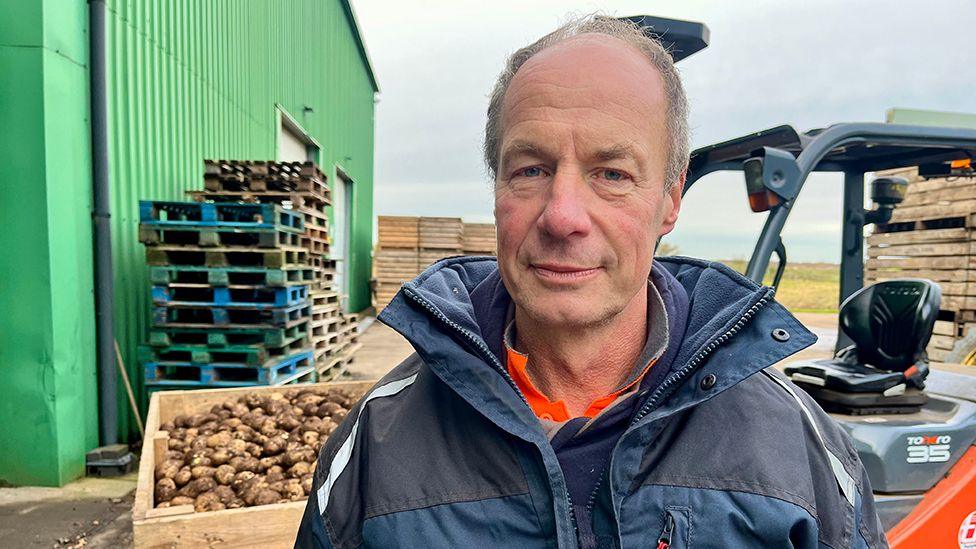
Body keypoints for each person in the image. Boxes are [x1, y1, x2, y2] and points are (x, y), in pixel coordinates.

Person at [296, 14, 886, 548]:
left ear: (670, 199)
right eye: (530, 169)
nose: (563, 216)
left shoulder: (795, 447)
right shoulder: (376, 446)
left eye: (612, 173)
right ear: (496, 189)